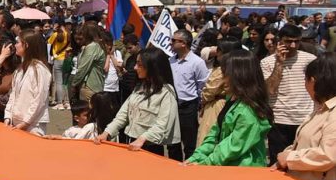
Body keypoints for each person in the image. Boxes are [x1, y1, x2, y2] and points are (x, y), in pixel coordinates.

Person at [187, 52, 273, 167]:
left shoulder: (249, 110)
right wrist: (196, 157)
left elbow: (233, 147)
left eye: (225, 74)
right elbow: (214, 135)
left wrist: (205, 163)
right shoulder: (232, 101)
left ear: (239, 76)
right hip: (226, 167)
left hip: (243, 172)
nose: (222, 80)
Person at [95, 47, 181, 157]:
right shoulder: (139, 88)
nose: (135, 68)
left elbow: (162, 125)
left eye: (139, 65)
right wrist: (107, 133)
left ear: (152, 67)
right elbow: (122, 115)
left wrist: (143, 139)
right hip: (131, 143)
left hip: (150, 148)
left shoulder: (166, 93)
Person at [273, 53, 336, 180]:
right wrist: (283, 158)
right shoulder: (322, 109)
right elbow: (304, 143)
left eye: (305, 80)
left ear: (312, 81)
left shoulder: (333, 113)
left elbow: (328, 155)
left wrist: (289, 158)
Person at [261, 24, 318, 165]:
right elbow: (270, 90)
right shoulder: (267, 62)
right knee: (278, 162)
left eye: (297, 41)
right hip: (279, 120)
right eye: (288, 41)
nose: (293, 45)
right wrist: (279, 63)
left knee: (303, 162)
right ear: (280, 40)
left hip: (305, 119)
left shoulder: (310, 59)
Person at [168, 29, 210, 161]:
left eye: (174, 41)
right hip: (172, 106)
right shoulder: (170, 61)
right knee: (172, 143)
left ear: (184, 43)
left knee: (189, 143)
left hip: (188, 107)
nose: (171, 43)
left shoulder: (197, 62)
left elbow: (202, 85)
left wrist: (197, 103)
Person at [4, 30, 51, 135]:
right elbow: (13, 94)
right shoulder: (19, 69)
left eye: (18, 42)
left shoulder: (40, 70)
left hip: (33, 125)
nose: (15, 45)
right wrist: (8, 115)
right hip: (15, 120)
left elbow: (39, 99)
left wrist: (26, 122)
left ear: (26, 45)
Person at [69, 22, 106, 104]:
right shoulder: (96, 45)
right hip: (95, 85)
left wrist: (74, 84)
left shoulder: (92, 47)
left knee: (88, 113)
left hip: (89, 86)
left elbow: (82, 68)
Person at [47, 22, 70, 107]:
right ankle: (67, 102)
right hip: (66, 59)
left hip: (57, 59)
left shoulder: (55, 35)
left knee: (59, 82)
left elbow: (49, 44)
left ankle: (60, 102)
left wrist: (50, 58)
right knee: (65, 82)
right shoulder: (67, 34)